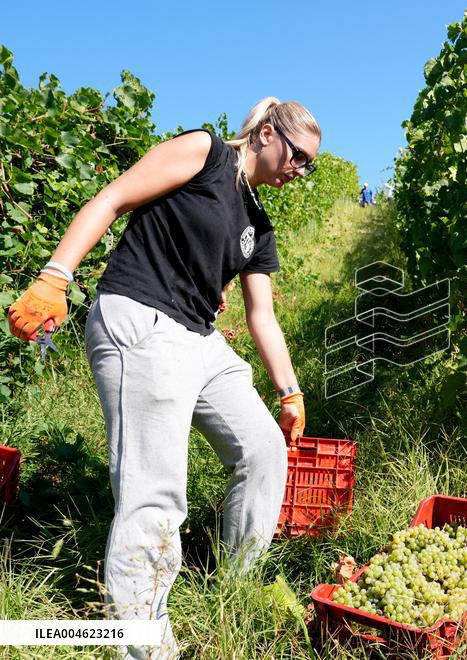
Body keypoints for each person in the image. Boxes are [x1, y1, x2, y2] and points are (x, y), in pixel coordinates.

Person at [6, 97, 320, 658]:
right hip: (142, 318)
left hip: (198, 339)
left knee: (264, 449)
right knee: (155, 496)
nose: (303, 170)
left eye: (311, 164)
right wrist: (56, 275)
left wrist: (289, 390)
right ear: (268, 133)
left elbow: (261, 317)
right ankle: (141, 645)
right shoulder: (206, 153)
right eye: (300, 156)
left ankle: (234, 587)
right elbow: (114, 196)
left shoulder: (258, 224)